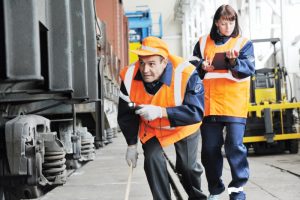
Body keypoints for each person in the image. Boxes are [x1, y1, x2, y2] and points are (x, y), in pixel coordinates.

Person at [117, 36, 207, 200]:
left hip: (183, 126)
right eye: (142, 62)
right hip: (152, 128)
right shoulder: (129, 77)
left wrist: (161, 112)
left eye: (152, 64)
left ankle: (197, 197)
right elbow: (126, 114)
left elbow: (196, 111)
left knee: (187, 167)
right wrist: (131, 145)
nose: (145, 70)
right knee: (152, 159)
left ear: (164, 63)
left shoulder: (186, 74)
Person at [190, 4, 255, 200]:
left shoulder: (243, 43)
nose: (228, 26)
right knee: (210, 150)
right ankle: (215, 190)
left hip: (234, 104)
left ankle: (237, 191)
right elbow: (191, 66)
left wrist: (234, 63)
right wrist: (202, 65)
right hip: (209, 105)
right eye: (224, 22)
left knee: (235, 147)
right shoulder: (202, 43)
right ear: (217, 23)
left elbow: (249, 67)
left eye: (231, 22)